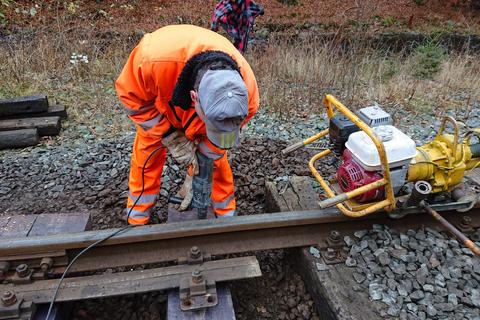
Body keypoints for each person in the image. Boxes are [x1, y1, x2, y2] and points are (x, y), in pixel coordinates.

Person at [115, 24, 260, 225]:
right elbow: (133, 100)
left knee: (214, 162)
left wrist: (198, 169)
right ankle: (136, 219)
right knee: (147, 156)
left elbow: (222, 140)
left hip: (202, 107)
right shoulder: (150, 61)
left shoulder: (247, 97)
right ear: (194, 98)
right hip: (161, 109)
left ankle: (226, 218)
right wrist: (167, 134)